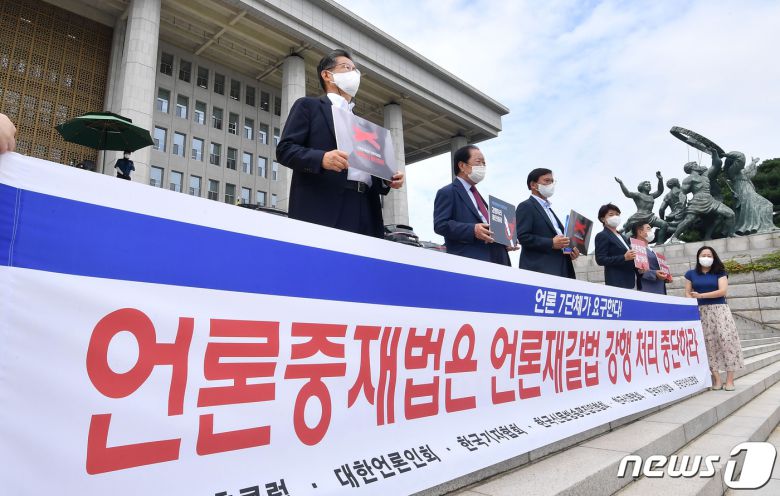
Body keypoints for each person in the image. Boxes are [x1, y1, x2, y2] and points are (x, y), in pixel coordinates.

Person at [276, 49, 404, 238]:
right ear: (327, 75)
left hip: (366, 208)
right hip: (324, 206)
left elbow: (368, 168)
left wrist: (386, 178)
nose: (354, 74)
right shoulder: (308, 106)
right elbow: (285, 150)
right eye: (347, 67)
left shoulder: (364, 126)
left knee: (362, 267)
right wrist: (321, 158)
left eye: (356, 70)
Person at [433, 145, 514, 266]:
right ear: (462, 166)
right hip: (471, 260)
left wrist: (506, 239)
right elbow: (441, 225)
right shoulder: (447, 192)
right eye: (478, 162)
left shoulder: (479, 196)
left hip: (498, 259)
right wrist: (472, 230)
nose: (482, 167)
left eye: (484, 163)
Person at [684, 246, 744, 391]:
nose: (706, 257)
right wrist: (692, 302)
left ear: (714, 257)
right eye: (703, 254)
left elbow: (723, 291)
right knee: (708, 344)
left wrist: (701, 296)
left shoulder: (720, 272)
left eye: (709, 255)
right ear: (698, 257)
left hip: (720, 310)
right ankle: (716, 379)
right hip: (701, 311)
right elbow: (687, 292)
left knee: (727, 341)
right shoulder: (690, 274)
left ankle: (730, 380)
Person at [515, 168, 578, 278]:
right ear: (533, 185)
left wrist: (570, 250)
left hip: (563, 269)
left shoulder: (549, 210)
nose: (551, 184)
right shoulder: (526, 206)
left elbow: (560, 240)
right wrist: (551, 243)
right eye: (547, 181)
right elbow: (522, 237)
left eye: (552, 181)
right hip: (540, 270)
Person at [594, 203, 640, 289]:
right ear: (603, 219)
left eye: (617, 214)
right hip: (617, 282)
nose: (615, 217)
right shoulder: (602, 235)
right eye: (611, 214)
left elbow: (630, 258)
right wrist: (624, 257)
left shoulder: (623, 237)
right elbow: (600, 259)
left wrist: (640, 267)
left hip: (632, 281)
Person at [632, 222, 670, 294]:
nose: (651, 232)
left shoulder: (651, 250)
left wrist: (667, 276)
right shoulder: (636, 248)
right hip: (647, 288)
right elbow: (639, 270)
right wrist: (655, 273)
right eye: (648, 229)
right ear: (640, 232)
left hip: (659, 288)